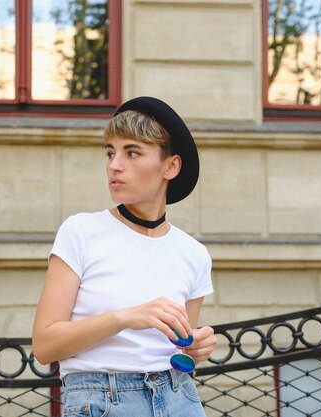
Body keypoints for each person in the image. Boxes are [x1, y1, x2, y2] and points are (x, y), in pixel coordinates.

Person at [32, 96, 216, 417]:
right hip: (103, 400)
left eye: (132, 153)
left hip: (179, 397)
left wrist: (196, 347)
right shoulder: (81, 231)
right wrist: (125, 317)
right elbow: (45, 346)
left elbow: (180, 348)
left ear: (170, 166)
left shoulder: (193, 253)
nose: (114, 165)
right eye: (110, 152)